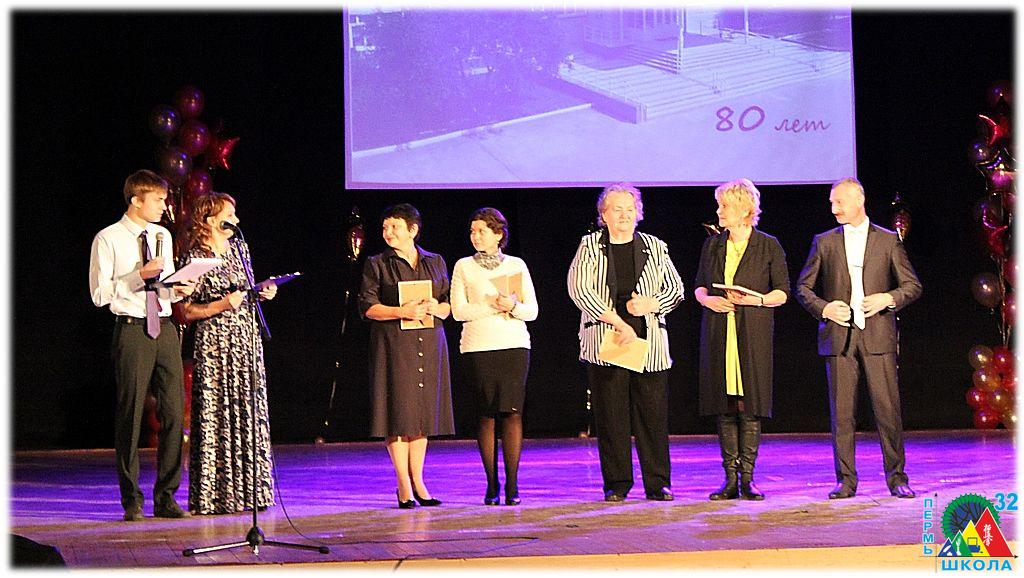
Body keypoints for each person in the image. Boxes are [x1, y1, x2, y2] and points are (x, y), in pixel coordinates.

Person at [795, 177, 922, 500]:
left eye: (839, 202)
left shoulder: (887, 240)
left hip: (877, 336)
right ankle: (846, 480)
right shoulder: (824, 242)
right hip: (839, 338)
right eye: (832, 203)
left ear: (858, 201)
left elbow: (912, 286)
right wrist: (825, 309)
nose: (834, 209)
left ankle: (897, 477)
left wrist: (887, 298)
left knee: (887, 411)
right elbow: (803, 288)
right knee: (842, 415)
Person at [567, 183, 684, 502]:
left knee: (652, 417)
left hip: (648, 343)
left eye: (630, 209)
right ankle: (617, 483)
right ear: (603, 215)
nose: (624, 215)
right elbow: (580, 290)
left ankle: (658, 482)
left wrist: (651, 303)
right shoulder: (590, 246)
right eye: (617, 209)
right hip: (608, 339)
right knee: (611, 416)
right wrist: (619, 323)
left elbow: (676, 289)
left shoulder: (654, 246)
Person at [88, 169, 194, 521]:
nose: (165, 206)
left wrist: (178, 288)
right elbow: (99, 294)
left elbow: (164, 286)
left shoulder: (162, 234)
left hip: (164, 327)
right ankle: (131, 499)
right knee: (131, 413)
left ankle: (167, 497)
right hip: (132, 329)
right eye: (158, 200)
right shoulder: (108, 238)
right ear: (136, 200)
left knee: (174, 412)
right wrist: (138, 276)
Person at [177, 193, 278, 515]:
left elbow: (246, 291)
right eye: (229, 214)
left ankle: (251, 493)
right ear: (210, 220)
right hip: (215, 344)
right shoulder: (195, 257)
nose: (236, 220)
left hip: (246, 340)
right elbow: (186, 310)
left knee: (247, 410)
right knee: (216, 413)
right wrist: (221, 305)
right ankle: (215, 496)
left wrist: (262, 292)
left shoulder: (240, 249)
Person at [694, 179, 789, 501]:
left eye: (725, 206)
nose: (719, 211)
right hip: (719, 331)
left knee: (749, 405)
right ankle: (730, 479)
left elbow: (782, 292)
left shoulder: (768, 245)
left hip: (752, 332)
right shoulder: (713, 245)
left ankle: (748, 478)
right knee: (725, 405)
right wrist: (708, 300)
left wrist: (756, 300)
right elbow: (700, 285)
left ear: (745, 209)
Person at [359, 204, 455, 509]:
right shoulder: (377, 263)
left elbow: (448, 301)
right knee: (398, 414)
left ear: (413, 230)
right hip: (394, 345)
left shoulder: (435, 261)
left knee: (421, 415)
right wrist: (402, 311)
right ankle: (403, 483)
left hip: (430, 341)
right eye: (385, 227)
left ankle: (419, 481)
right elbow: (368, 307)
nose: (388, 233)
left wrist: (439, 308)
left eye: (395, 227)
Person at [450, 208, 538, 506]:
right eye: (472, 231)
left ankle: (513, 484)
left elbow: (532, 311)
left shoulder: (516, 265)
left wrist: (512, 306)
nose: (475, 236)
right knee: (486, 414)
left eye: (482, 231)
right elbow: (459, 311)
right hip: (478, 347)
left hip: (513, 345)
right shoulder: (464, 266)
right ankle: (491, 483)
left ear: (498, 234)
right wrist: (493, 305)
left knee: (512, 412)